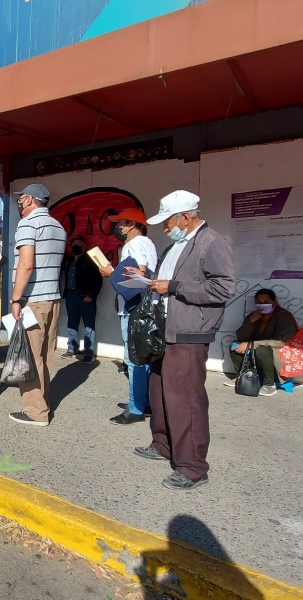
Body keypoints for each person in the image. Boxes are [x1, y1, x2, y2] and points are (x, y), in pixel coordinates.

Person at [134, 190, 235, 490]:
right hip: (164, 330)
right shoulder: (176, 245)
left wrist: (174, 286)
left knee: (185, 399)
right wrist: (147, 280)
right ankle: (163, 444)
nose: (164, 228)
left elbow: (223, 288)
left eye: (167, 222)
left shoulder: (211, 242)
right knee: (160, 391)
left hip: (189, 332)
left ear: (186, 217)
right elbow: (167, 283)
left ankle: (192, 466)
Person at [9, 184, 67, 426]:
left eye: (21, 199)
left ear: (30, 199)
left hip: (33, 299)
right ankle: (42, 401)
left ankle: (35, 411)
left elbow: (26, 265)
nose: (19, 203)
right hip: (53, 298)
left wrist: (15, 298)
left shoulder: (28, 224)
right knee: (45, 355)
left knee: (30, 356)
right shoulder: (58, 226)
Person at [99, 208, 158, 425]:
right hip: (143, 305)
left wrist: (110, 273)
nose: (118, 228)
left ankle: (135, 408)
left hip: (134, 308)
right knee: (143, 358)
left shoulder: (134, 244)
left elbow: (139, 273)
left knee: (133, 360)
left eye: (121, 223)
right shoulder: (147, 244)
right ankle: (145, 402)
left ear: (133, 224)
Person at [227, 288, 298, 397]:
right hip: (257, 348)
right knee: (234, 345)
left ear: (275, 302)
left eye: (266, 302)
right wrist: (250, 322)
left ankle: (269, 385)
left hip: (277, 352)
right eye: (259, 302)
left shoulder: (283, 316)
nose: (262, 305)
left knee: (261, 350)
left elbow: (279, 342)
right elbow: (241, 337)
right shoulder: (256, 315)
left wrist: (252, 345)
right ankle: (241, 376)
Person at [61, 235, 103, 364]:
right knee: (72, 323)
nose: (76, 248)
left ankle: (88, 352)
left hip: (85, 297)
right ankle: (72, 348)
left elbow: (98, 279)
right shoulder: (69, 260)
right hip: (71, 296)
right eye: (74, 245)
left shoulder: (91, 259)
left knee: (88, 325)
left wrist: (91, 295)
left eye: (79, 245)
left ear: (84, 247)